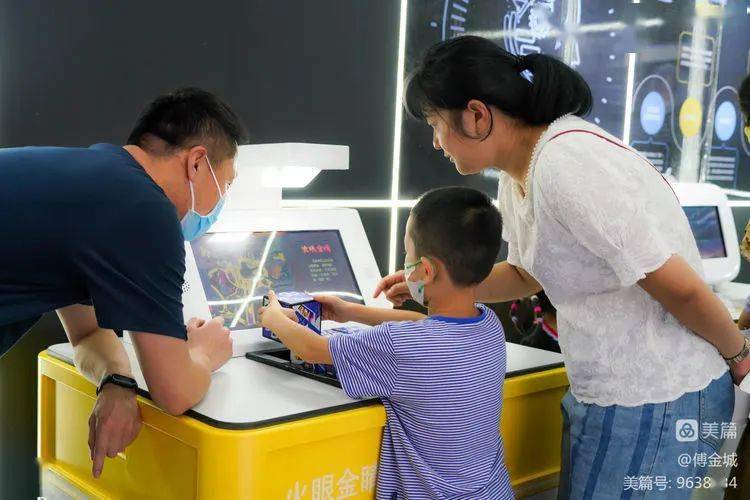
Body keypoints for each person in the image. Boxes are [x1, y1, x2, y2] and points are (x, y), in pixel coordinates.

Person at [374, 35, 749, 498]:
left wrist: (738, 355)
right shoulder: (520, 173)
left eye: (435, 124)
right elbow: (527, 273)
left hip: (656, 399)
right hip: (608, 395)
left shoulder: (566, 165)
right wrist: (435, 285)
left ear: (476, 115)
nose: (435, 143)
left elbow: (680, 287)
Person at [0, 87, 241, 477]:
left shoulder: (96, 183)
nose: (221, 203)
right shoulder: (145, 211)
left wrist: (117, 380)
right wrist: (205, 352)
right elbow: (175, 392)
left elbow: (86, 333)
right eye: (226, 185)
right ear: (197, 163)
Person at [260, 187, 514, 499]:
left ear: (426, 270)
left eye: (407, 254)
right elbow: (424, 325)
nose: (405, 263)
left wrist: (274, 317)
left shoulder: (399, 347)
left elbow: (312, 349)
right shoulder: (489, 325)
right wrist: (350, 311)